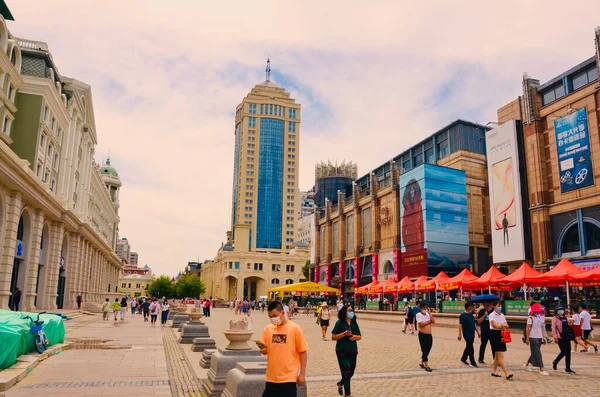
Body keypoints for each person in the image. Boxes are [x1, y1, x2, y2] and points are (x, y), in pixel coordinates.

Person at [259, 301, 308, 397]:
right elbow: (265, 352)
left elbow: (303, 352)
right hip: (271, 377)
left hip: (288, 378)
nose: (273, 319)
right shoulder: (268, 329)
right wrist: (262, 349)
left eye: (275, 315)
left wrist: (302, 374)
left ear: (282, 312)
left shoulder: (295, 328)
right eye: (270, 317)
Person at [332, 304, 361, 397]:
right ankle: (347, 394)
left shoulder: (354, 323)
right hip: (342, 351)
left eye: (352, 310)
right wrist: (343, 334)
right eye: (349, 310)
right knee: (346, 371)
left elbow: (360, 336)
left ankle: (340, 383)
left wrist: (355, 337)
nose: (351, 312)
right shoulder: (339, 323)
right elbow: (333, 337)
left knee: (351, 371)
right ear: (344, 312)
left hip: (353, 351)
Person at [489, 301, 513, 380]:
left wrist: (501, 325)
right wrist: (502, 325)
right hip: (494, 335)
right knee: (500, 356)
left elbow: (507, 325)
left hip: (501, 334)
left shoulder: (502, 315)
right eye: (498, 305)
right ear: (494, 306)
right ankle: (507, 373)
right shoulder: (492, 315)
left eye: (500, 305)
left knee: (497, 356)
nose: (500, 307)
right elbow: (495, 326)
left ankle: (494, 371)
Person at [524, 303, 549, 375]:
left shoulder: (538, 318)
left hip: (539, 337)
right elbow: (527, 329)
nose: (538, 312)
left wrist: (544, 337)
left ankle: (528, 364)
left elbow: (540, 328)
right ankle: (541, 368)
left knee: (535, 352)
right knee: (538, 353)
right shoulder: (530, 318)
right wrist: (527, 339)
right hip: (533, 337)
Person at [551, 305, 576, 373]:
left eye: (562, 310)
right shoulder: (555, 318)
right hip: (560, 337)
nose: (561, 311)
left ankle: (568, 367)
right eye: (559, 310)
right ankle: (555, 362)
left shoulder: (565, 318)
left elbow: (568, 325)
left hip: (566, 336)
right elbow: (553, 328)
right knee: (563, 351)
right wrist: (555, 337)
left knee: (568, 352)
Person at [458, 302, 479, 367]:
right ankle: (472, 362)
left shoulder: (471, 315)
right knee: (471, 347)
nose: (472, 307)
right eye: (471, 306)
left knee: (469, 346)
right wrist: (459, 334)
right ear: (468, 307)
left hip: (472, 332)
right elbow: (460, 325)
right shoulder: (462, 315)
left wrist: (478, 331)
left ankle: (463, 358)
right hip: (466, 333)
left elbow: (474, 324)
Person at [416, 302, 435, 372]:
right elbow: (421, 324)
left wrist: (430, 314)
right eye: (424, 308)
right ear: (421, 308)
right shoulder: (418, 315)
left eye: (426, 308)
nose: (425, 309)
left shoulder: (428, 314)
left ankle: (422, 362)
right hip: (422, 335)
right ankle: (426, 365)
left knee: (428, 349)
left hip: (429, 335)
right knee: (424, 349)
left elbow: (433, 321)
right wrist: (428, 322)